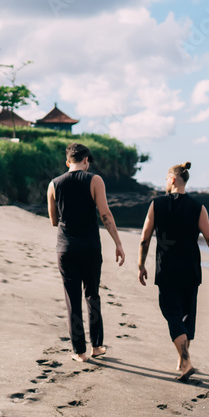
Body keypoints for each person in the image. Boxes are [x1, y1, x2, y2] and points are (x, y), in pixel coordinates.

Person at [138, 161, 209, 382]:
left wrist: (141, 264)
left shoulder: (156, 205)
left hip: (166, 269)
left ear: (173, 179)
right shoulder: (198, 207)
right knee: (187, 313)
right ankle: (182, 357)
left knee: (172, 313)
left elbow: (145, 238)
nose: (165, 184)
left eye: (166, 180)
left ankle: (185, 362)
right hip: (190, 270)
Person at [47, 142, 126, 362]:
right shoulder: (94, 180)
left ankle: (79, 351)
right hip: (90, 247)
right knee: (92, 294)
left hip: (65, 248)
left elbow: (54, 220)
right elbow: (106, 215)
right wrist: (118, 243)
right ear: (86, 161)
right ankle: (97, 346)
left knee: (72, 299)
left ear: (67, 162)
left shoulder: (54, 184)